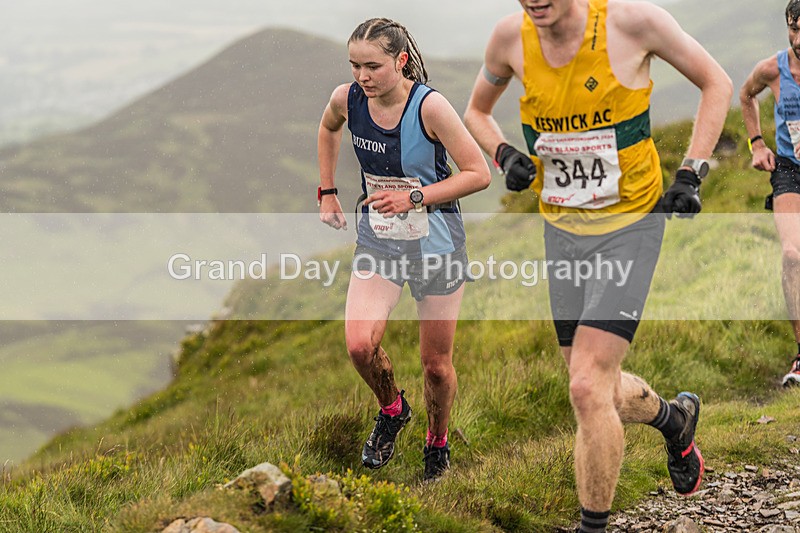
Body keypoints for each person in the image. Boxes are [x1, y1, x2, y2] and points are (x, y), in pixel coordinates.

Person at [464, 0, 731, 530]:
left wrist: (690, 173)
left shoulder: (632, 23)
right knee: (594, 387)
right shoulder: (509, 39)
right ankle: (674, 420)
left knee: (586, 387)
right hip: (563, 230)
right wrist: (504, 154)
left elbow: (716, 83)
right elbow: (476, 111)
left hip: (630, 226)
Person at [317, 18, 491, 481]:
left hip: (437, 245)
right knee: (359, 346)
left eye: (373, 66)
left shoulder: (430, 107)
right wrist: (327, 191)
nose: (362, 76)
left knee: (436, 367)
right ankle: (393, 410)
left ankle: (437, 444)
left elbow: (478, 174)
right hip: (381, 241)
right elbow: (329, 128)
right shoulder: (347, 99)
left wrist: (414, 197)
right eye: (354, 66)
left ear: (401, 60)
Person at [740, 0, 800, 388]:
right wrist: (757, 144)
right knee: (793, 255)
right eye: (794, 30)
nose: (799, 39)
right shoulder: (773, 70)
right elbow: (746, 95)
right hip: (790, 171)